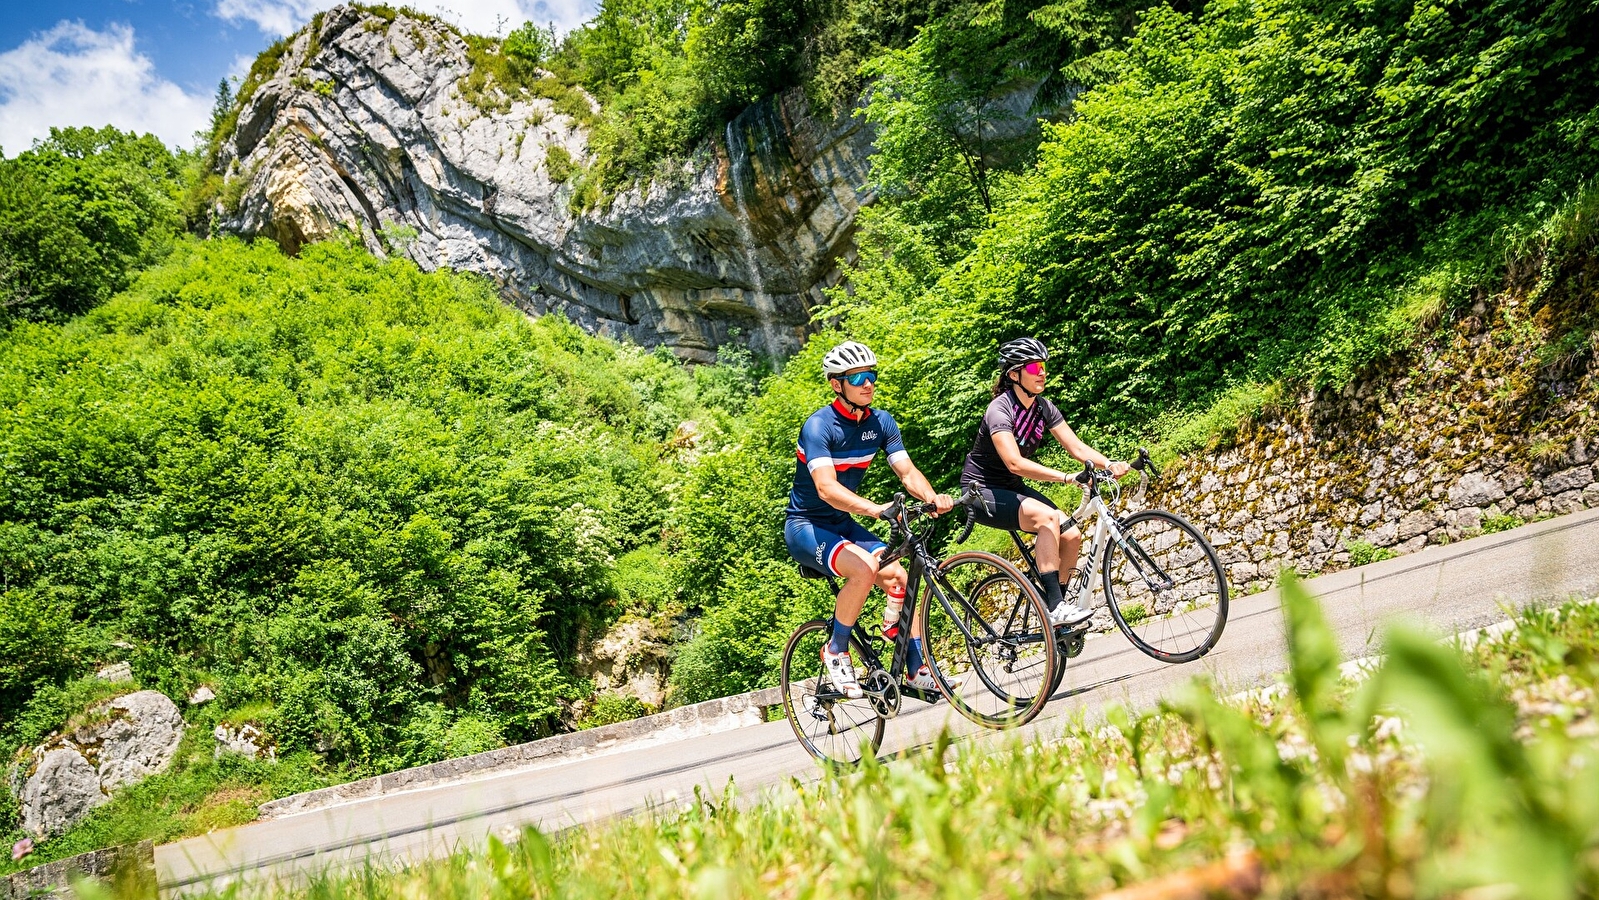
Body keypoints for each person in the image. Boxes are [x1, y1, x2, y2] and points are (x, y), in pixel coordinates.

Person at [785, 340, 955, 699]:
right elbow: (826, 488)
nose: (867, 384)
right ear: (837, 384)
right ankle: (835, 650)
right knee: (864, 569)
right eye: (857, 377)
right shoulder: (819, 426)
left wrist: (931, 498)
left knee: (899, 577)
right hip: (806, 526)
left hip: (842, 523)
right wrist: (876, 509)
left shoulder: (881, 422)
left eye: (871, 376)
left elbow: (907, 472)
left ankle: (914, 669)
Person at [961, 337, 1129, 627]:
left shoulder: (1042, 408)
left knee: (1071, 534)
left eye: (1043, 367)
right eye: (1034, 367)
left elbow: (1076, 447)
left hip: (1011, 487)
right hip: (981, 490)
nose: (1042, 372)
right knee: (1047, 518)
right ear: (1014, 374)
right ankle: (1055, 608)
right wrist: (1066, 477)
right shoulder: (999, 409)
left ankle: (1057, 608)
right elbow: (1015, 463)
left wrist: (1109, 463)